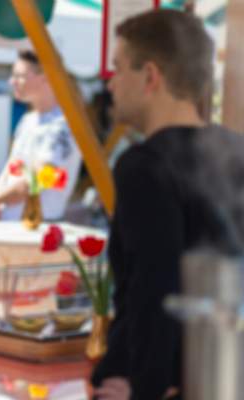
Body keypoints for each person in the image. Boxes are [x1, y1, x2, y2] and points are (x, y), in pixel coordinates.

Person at [92, 10, 244, 400]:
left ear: (150, 77)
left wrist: (144, 387)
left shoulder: (144, 165)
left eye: (118, 68)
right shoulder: (237, 152)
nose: (110, 84)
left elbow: (155, 286)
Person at [0, 50, 81, 222]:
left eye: (19, 76)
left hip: (37, 231)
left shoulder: (63, 125)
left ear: (45, 77)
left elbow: (36, 182)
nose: (12, 81)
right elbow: (11, 166)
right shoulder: (29, 120)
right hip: (13, 227)